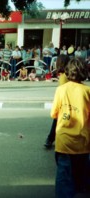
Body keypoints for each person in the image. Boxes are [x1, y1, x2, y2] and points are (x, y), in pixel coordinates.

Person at [51, 58, 90, 197]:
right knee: (80, 175)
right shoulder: (87, 91)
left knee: (64, 179)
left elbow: (54, 113)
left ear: (68, 72)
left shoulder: (61, 90)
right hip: (83, 142)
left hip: (64, 142)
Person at [44, 54, 70, 149]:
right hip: (67, 102)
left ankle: (50, 139)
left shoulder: (64, 76)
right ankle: (50, 139)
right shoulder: (65, 74)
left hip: (64, 103)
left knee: (57, 122)